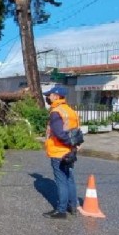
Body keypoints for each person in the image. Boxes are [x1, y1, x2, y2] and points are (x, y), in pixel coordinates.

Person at [42, 86, 79, 220]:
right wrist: (73, 146)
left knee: (61, 180)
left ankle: (61, 210)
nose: (48, 97)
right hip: (70, 150)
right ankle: (73, 206)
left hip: (59, 151)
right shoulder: (70, 111)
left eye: (50, 95)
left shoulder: (56, 112)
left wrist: (68, 143)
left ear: (56, 96)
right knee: (69, 179)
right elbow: (76, 132)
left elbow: (59, 133)